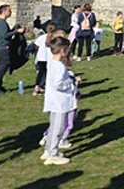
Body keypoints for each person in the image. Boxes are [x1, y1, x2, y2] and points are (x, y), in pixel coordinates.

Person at [41, 37, 78, 166]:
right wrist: (71, 82)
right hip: (59, 102)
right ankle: (53, 153)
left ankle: (48, 150)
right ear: (62, 50)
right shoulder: (59, 67)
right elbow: (58, 84)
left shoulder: (52, 62)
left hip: (54, 101)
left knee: (53, 127)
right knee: (58, 128)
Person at [0, 4, 24, 94]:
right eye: (9, 10)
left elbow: (6, 33)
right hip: (3, 47)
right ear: (4, 11)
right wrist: (16, 31)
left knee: (3, 66)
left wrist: (14, 29)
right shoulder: (1, 22)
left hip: (3, 47)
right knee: (3, 66)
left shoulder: (2, 22)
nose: (11, 12)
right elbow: (5, 35)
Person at [33, 23, 57, 96]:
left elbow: (36, 45)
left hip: (41, 57)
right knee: (49, 73)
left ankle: (37, 87)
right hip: (50, 58)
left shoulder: (42, 37)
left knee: (40, 73)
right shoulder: (54, 38)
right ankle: (47, 87)